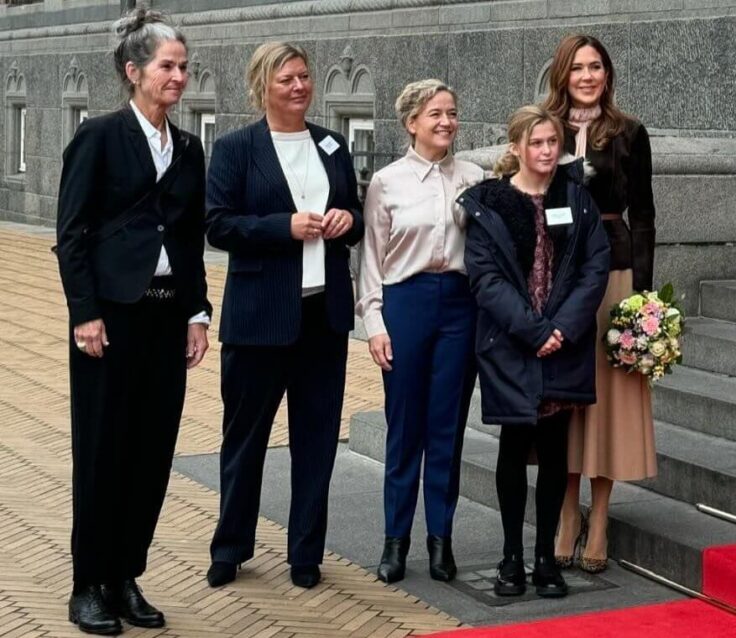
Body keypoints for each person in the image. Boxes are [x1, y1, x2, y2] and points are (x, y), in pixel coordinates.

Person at [54, 8, 211, 634]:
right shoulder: (98, 136)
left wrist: (197, 314)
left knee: (150, 452)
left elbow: (191, 239)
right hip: (111, 319)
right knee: (102, 451)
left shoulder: (190, 146)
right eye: (167, 66)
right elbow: (71, 235)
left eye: (183, 66)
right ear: (134, 70)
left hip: (166, 317)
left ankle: (125, 576)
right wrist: (84, 313)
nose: (178, 76)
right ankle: (87, 583)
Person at [205, 42, 364, 590]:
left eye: (304, 76)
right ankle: (230, 547)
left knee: (316, 439)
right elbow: (218, 224)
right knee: (245, 438)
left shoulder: (333, 143)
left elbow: (358, 214)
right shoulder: (234, 149)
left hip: (324, 318)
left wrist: (348, 218)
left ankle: (304, 554)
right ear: (262, 87)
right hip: (259, 319)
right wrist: (283, 227)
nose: (299, 87)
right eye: (286, 79)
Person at [460, 105, 610, 598]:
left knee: (553, 453)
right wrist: (532, 331)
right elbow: (485, 278)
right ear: (517, 147)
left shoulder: (576, 198)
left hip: (563, 346)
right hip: (512, 345)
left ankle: (546, 557)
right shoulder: (491, 202)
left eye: (553, 143)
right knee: (511, 447)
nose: (546, 152)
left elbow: (595, 268)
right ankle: (510, 557)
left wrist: (562, 329)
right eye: (537, 143)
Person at [356, 79, 483, 584]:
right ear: (412, 122)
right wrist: (374, 323)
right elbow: (369, 258)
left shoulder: (475, 177)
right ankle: (395, 541)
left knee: (447, 429)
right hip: (405, 304)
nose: (447, 122)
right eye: (435, 114)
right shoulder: (387, 182)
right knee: (404, 428)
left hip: (459, 305)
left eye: (452, 113)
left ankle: (440, 541)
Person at [544, 34, 658, 574]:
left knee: (608, 400)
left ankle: (603, 513)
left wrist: (643, 295)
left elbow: (645, 217)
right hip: (559, 278)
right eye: (577, 68)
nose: (587, 76)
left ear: (607, 74)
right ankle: (568, 510)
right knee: (566, 396)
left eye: (596, 67)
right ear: (562, 74)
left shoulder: (630, 133)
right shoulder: (543, 130)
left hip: (613, 274)